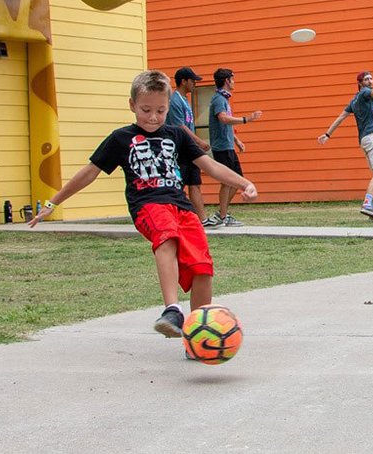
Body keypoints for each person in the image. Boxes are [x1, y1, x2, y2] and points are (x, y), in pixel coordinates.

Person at [29, 70, 255, 337]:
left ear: (168, 107)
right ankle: (172, 309)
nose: (153, 117)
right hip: (148, 205)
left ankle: (197, 335)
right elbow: (89, 172)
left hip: (182, 208)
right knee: (166, 237)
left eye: (160, 110)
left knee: (202, 268)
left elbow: (210, 165)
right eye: (146, 109)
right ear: (132, 105)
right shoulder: (121, 138)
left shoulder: (177, 135)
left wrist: (243, 183)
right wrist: (53, 203)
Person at [317, 70, 373, 219]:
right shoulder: (364, 93)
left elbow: (341, 117)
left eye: (371, 78)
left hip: (364, 140)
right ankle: (367, 204)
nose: (370, 81)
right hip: (371, 137)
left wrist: (327, 134)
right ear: (360, 83)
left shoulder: (354, 100)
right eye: (366, 79)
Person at [206, 67, 260, 227]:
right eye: (233, 78)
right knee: (227, 181)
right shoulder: (218, 99)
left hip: (228, 145)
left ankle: (222, 214)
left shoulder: (224, 99)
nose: (234, 81)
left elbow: (225, 123)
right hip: (221, 147)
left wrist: (237, 140)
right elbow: (223, 119)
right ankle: (221, 216)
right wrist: (247, 119)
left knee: (237, 181)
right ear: (227, 81)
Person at [165, 67, 214, 222]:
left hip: (189, 148)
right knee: (177, 185)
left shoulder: (184, 100)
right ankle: (170, 216)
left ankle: (202, 219)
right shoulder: (174, 100)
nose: (194, 84)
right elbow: (180, 126)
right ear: (184, 81)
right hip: (180, 149)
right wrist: (199, 141)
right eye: (193, 81)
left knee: (195, 183)